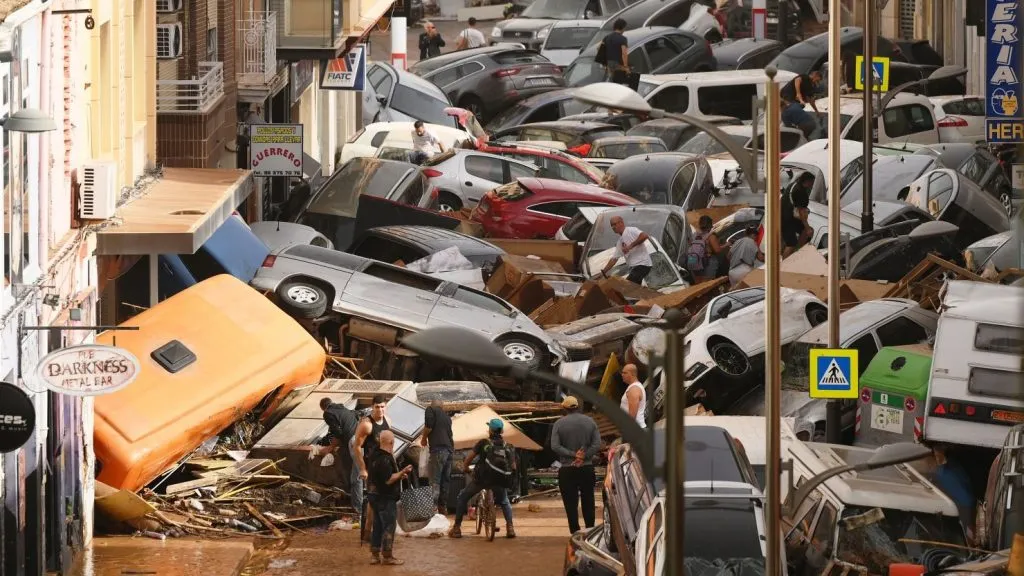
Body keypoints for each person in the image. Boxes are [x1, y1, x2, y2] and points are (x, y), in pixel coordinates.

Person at [449, 419, 517, 539]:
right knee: (505, 501)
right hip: (499, 481)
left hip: (482, 479)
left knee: (462, 497)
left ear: (490, 430)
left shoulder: (483, 443)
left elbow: (469, 458)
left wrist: (465, 468)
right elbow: (513, 466)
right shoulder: (508, 446)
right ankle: (510, 528)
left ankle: (457, 528)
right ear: (501, 431)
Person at [550, 396, 602, 534]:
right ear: (578, 407)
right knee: (588, 499)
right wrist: (583, 456)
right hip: (586, 468)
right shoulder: (590, 422)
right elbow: (597, 444)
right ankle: (590, 530)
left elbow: (554, 446)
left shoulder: (559, 424)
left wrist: (574, 455)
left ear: (564, 408)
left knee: (570, 503)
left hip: (567, 469)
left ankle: (574, 532)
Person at [366, 430, 412, 565]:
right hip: (385, 497)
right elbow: (388, 479)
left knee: (378, 525)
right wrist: (402, 472)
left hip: (374, 495)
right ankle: (387, 556)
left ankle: (374, 555)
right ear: (391, 442)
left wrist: (399, 475)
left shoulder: (374, 454)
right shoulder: (385, 458)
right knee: (389, 526)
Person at [310, 398, 363, 513]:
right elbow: (355, 417)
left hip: (354, 442)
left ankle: (359, 509)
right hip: (361, 438)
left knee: (356, 478)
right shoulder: (343, 408)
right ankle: (360, 505)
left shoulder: (328, 413)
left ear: (322, 408)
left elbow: (338, 433)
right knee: (359, 474)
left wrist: (330, 447)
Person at [354, 395, 392, 524]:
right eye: (377, 407)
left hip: (386, 466)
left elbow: (389, 443)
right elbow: (357, 447)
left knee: (386, 498)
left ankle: (381, 527)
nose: (380, 410)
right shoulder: (366, 425)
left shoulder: (388, 420)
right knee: (373, 500)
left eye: (382, 407)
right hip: (372, 467)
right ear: (372, 407)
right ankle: (369, 531)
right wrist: (363, 468)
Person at [928, 444, 976, 543]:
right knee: (968, 528)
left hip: (964, 504)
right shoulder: (953, 466)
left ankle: (970, 545)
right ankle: (970, 543)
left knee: (967, 529)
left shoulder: (943, 474)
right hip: (967, 502)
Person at [420, 399, 454, 515]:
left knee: (435, 480)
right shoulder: (447, 418)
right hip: (449, 452)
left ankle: (433, 509)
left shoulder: (430, 410)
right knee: (445, 481)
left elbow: (429, 426)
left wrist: (424, 438)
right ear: (442, 407)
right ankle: (442, 508)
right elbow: (450, 436)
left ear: (432, 405)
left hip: (438, 451)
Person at [599, 216, 652, 285]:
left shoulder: (631, 230)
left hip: (642, 264)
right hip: (634, 268)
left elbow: (644, 236)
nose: (613, 227)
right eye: (611, 225)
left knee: (626, 286)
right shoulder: (620, 242)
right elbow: (614, 259)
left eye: (615, 224)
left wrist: (630, 246)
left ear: (621, 223)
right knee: (634, 290)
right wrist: (603, 272)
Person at [780, 70, 822, 139]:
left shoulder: (810, 87)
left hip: (794, 101)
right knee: (788, 112)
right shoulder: (805, 77)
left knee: (794, 109)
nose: (817, 82)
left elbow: (811, 100)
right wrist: (798, 93)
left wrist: (817, 111)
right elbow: (797, 80)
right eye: (818, 80)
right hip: (787, 94)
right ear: (815, 75)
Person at [687, 215, 727, 280]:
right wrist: (725, 245)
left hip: (694, 261)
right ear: (710, 225)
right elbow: (717, 250)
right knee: (708, 283)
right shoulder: (711, 236)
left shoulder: (695, 235)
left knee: (699, 284)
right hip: (708, 262)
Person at [781, 177, 813, 257]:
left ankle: (797, 253)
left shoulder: (792, 186)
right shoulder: (799, 192)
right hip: (786, 220)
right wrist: (808, 228)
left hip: (788, 218)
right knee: (791, 243)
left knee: (804, 231)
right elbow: (802, 213)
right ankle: (785, 265)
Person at [600, 19, 629, 85]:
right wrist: (626, 67)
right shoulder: (623, 39)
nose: (625, 30)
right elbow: (624, 54)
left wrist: (604, 63)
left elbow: (598, 48)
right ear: (623, 27)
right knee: (620, 84)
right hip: (618, 64)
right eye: (625, 28)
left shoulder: (607, 37)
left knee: (612, 82)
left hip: (609, 64)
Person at [618, 364, 647, 429]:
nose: (622, 375)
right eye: (622, 372)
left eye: (625, 373)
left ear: (633, 374)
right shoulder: (633, 387)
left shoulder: (634, 389)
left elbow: (632, 416)